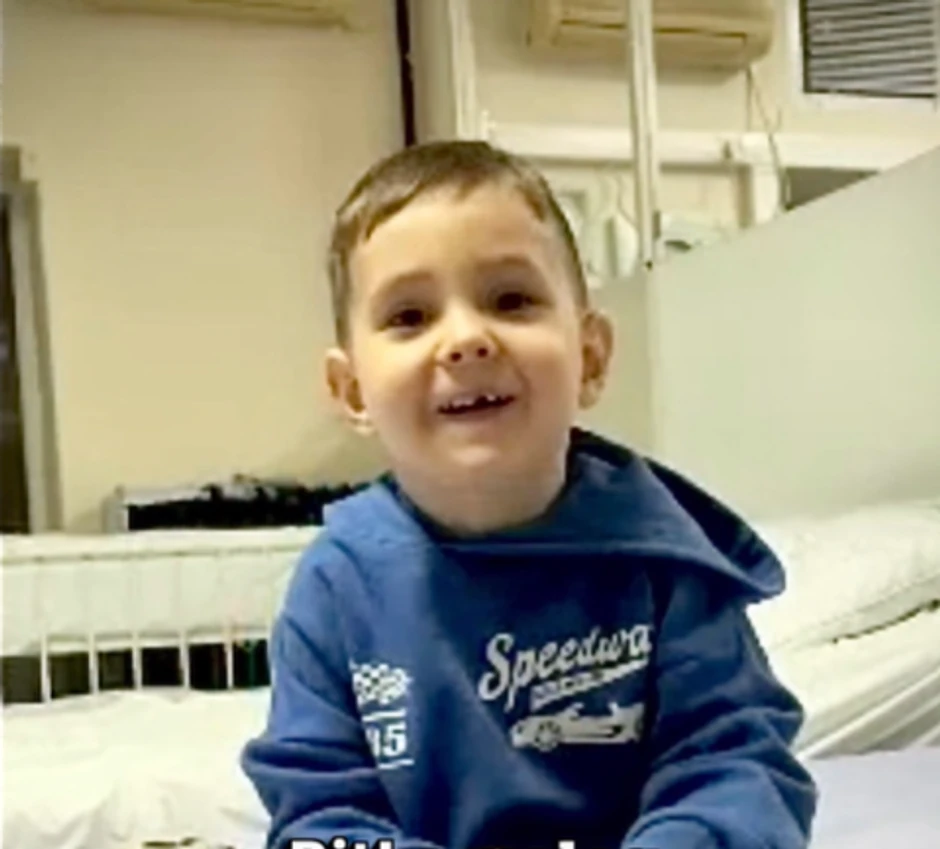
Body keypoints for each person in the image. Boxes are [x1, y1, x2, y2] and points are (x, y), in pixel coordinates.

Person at [241, 140, 817, 849]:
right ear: (353, 389)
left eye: (510, 299)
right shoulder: (336, 587)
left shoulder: (662, 561)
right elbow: (321, 814)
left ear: (591, 357)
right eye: (410, 316)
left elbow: (735, 765)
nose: (465, 338)